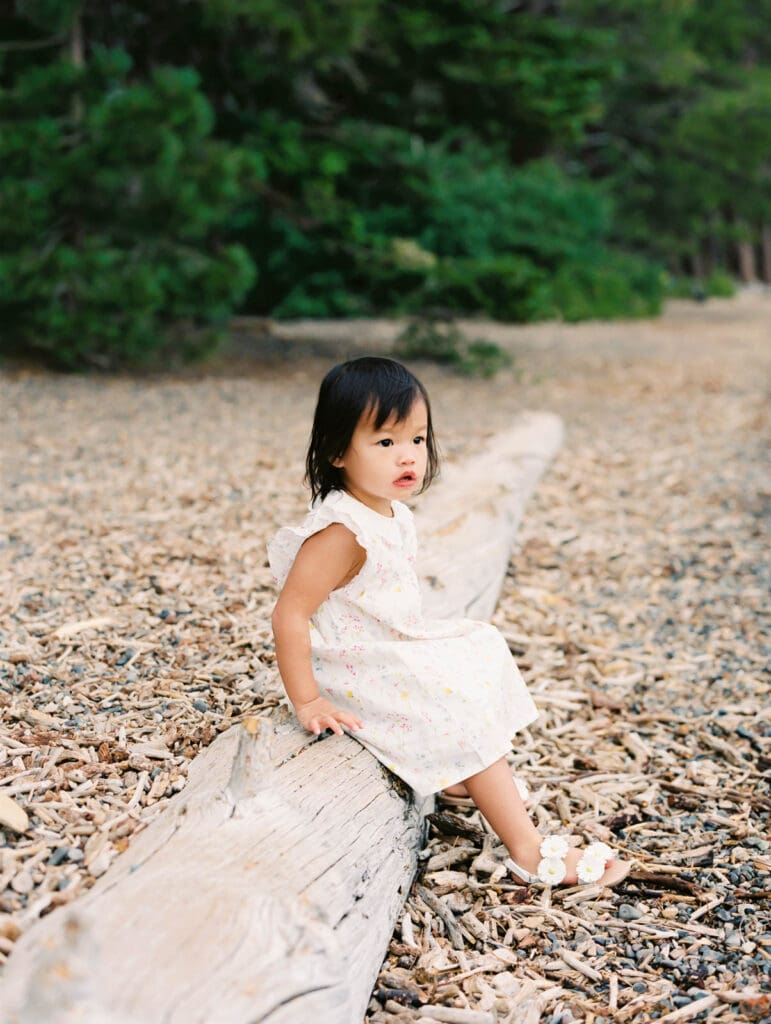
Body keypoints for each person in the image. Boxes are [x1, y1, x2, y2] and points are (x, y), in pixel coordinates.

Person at [269, 356, 631, 888]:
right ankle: (526, 849)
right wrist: (307, 699)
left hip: (378, 645)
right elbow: (290, 613)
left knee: (476, 646)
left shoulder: (389, 510)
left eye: (417, 439)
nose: (408, 456)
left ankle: (464, 771)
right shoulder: (341, 530)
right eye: (385, 443)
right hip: (348, 667)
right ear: (337, 452)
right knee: (450, 700)